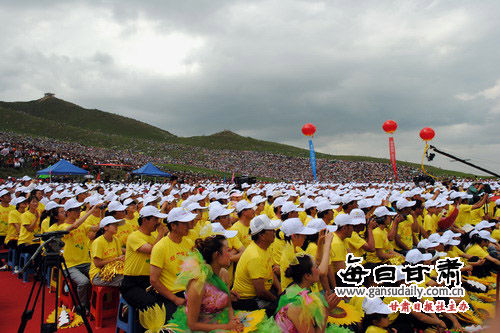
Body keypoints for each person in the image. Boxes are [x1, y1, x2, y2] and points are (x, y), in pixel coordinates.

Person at [168, 235, 249, 332]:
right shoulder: (198, 284)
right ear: (216, 255)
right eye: (227, 250)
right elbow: (192, 325)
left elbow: (229, 306)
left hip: (221, 321)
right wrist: (227, 327)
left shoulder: (224, 274)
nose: (231, 255)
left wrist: (233, 321)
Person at [273, 232, 340, 333]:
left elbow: (315, 261)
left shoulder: (298, 288)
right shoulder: (297, 305)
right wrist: (326, 311)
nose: (319, 270)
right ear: (307, 276)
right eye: (316, 267)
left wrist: (321, 245)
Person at [48, 199, 101, 312]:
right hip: (70, 264)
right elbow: (75, 226)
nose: (78, 212)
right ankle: (82, 306)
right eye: (76, 210)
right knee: (84, 282)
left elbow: (97, 228)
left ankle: (94, 305)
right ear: (68, 212)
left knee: (99, 277)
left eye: (79, 209)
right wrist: (91, 211)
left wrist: (102, 212)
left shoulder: (83, 224)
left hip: (85, 261)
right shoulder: (62, 228)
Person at [150, 207, 196, 321]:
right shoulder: (160, 247)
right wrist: (175, 299)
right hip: (170, 295)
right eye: (184, 223)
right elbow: (154, 280)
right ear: (173, 226)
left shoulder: (188, 242)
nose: (188, 226)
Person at [121, 206, 167, 310]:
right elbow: (153, 250)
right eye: (155, 219)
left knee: (165, 300)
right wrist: (161, 233)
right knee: (151, 305)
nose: (158, 222)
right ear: (145, 220)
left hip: (148, 281)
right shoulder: (134, 236)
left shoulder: (152, 237)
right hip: (132, 283)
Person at [232, 214, 280, 312]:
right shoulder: (255, 256)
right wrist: (277, 300)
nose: (274, 232)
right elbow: (261, 292)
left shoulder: (265, 248)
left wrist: (279, 289)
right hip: (249, 300)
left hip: (263, 290)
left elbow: (269, 271)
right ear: (262, 235)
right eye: (271, 230)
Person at [279, 217, 316, 290]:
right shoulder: (289, 256)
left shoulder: (297, 249)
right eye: (303, 235)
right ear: (294, 236)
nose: (305, 237)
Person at [89, 216, 125, 287]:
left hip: (114, 271)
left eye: (116, 225)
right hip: (98, 275)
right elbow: (97, 264)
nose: (116, 227)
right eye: (114, 225)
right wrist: (116, 259)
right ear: (105, 227)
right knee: (125, 281)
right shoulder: (98, 242)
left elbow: (119, 258)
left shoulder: (115, 239)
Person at [5, 196, 27, 273]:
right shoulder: (13, 213)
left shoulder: (27, 213)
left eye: (25, 202)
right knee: (19, 245)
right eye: (22, 202)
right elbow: (17, 227)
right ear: (18, 204)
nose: (25, 203)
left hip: (23, 237)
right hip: (12, 238)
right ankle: (17, 265)